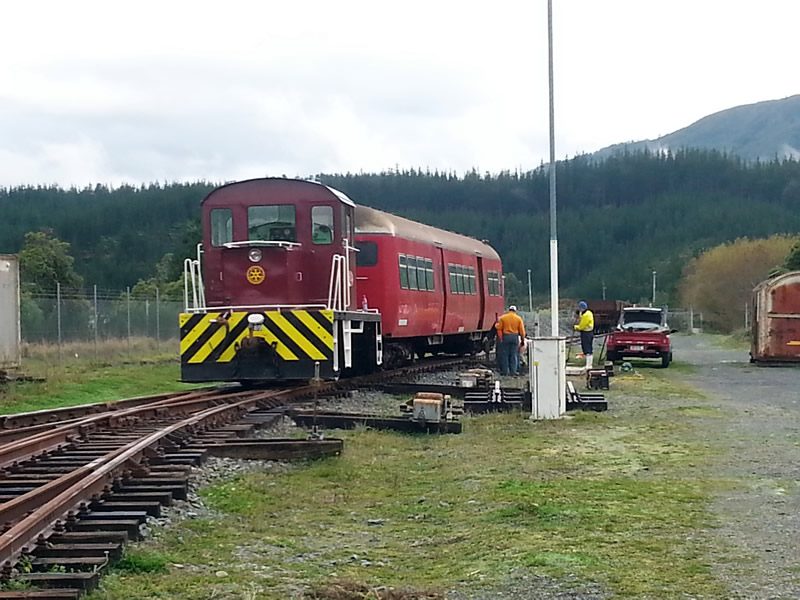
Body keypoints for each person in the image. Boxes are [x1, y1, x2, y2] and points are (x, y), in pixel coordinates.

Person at [495, 305, 526, 376]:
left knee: (505, 355)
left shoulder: (503, 318)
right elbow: (522, 331)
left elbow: (498, 328)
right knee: (514, 355)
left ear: (509, 310)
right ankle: (513, 372)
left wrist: (501, 338)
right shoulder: (518, 318)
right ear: (515, 311)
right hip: (515, 337)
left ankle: (505, 372)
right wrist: (522, 340)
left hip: (506, 337)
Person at [574, 300, 595, 370]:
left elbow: (581, 326)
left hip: (586, 333)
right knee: (587, 348)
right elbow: (581, 316)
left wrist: (575, 327)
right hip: (589, 333)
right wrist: (579, 314)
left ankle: (589, 365)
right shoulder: (589, 312)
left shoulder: (586, 315)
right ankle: (588, 364)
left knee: (587, 349)